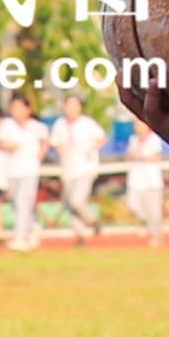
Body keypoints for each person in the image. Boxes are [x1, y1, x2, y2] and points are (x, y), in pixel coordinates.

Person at [0, 92, 44, 248]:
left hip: (30, 171)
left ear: (28, 109)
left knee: (22, 203)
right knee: (16, 203)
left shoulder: (36, 126)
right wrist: (9, 146)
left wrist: (41, 153)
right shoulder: (6, 125)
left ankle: (21, 238)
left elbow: (46, 139)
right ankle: (34, 226)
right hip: (12, 171)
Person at [48, 91, 105, 240]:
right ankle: (80, 235)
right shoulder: (60, 124)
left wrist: (91, 149)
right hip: (68, 170)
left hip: (85, 168)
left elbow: (101, 138)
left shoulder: (87, 123)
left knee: (77, 200)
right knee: (70, 203)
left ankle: (93, 221)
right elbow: (54, 142)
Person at [122, 115, 168, 244]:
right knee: (133, 205)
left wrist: (142, 157)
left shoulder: (155, 139)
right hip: (136, 180)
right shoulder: (133, 140)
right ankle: (146, 224)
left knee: (154, 211)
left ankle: (156, 236)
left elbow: (157, 157)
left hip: (152, 181)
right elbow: (129, 156)